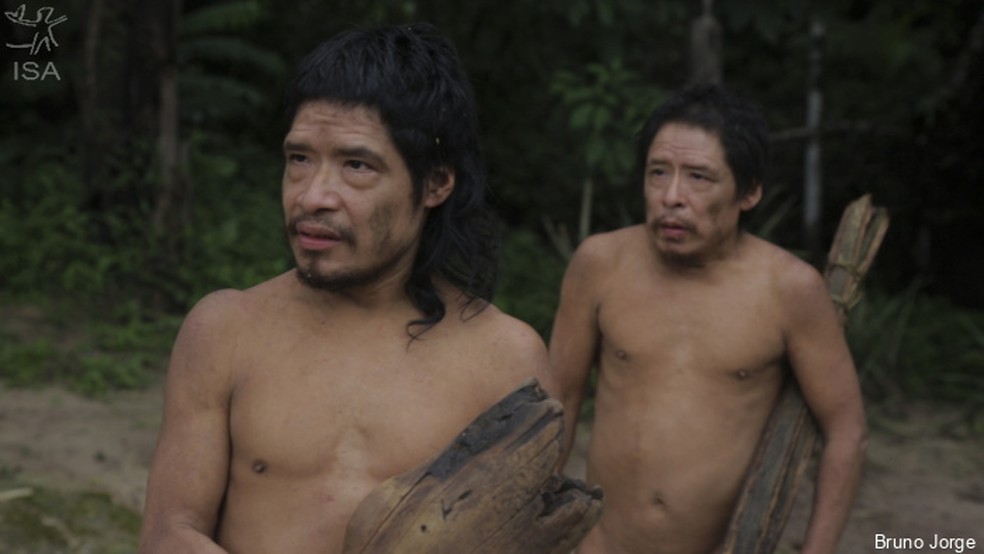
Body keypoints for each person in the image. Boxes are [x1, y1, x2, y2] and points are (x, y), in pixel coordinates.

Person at [139, 23, 550, 554]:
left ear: (435, 183)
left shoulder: (505, 361)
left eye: (356, 165)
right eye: (300, 159)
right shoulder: (225, 331)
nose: (313, 196)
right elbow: (169, 532)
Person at [544, 84, 866, 554]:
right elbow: (561, 399)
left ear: (749, 192)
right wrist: (536, 527)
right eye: (658, 173)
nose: (672, 196)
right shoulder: (600, 264)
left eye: (698, 177)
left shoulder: (788, 290)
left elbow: (846, 430)